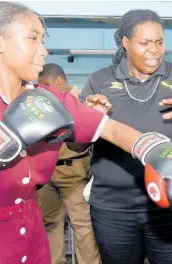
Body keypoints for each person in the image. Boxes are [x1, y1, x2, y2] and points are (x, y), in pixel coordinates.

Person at [0, 3, 172, 263]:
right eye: (33, 39)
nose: (44, 51)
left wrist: (157, 151)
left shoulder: (48, 99)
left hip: (33, 234)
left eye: (42, 40)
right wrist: (5, 139)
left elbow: (111, 129)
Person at [78, 9, 172, 264]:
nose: (154, 50)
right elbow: (76, 145)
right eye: (144, 43)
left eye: (159, 42)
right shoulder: (99, 81)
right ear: (125, 42)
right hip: (114, 208)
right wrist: (89, 119)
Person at [36, 63, 100, 264]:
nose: (42, 90)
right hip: (47, 174)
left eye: (46, 84)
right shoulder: (44, 104)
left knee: (83, 227)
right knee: (49, 224)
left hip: (74, 173)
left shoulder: (83, 101)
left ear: (58, 81)